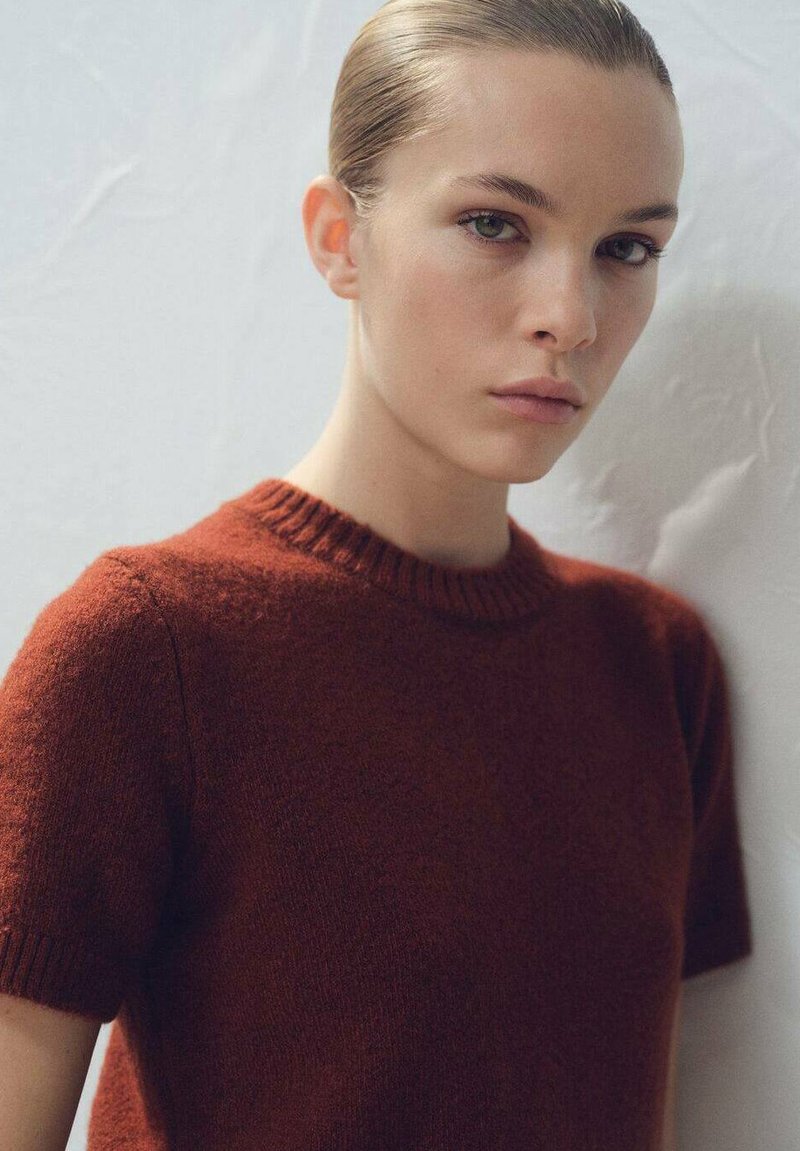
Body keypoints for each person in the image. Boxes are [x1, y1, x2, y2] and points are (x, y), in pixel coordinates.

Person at [0, 1, 753, 1148]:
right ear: (338, 239)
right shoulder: (147, 646)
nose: (570, 317)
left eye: (627, 248)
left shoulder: (652, 662)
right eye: (494, 223)